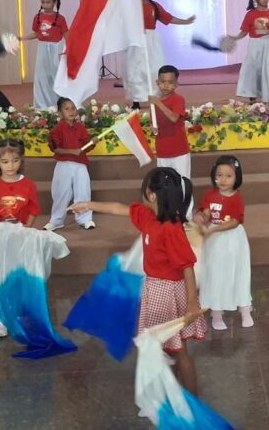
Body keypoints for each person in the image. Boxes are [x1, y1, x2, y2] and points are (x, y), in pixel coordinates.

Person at [69, 167, 207, 396]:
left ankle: (191, 399)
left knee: (176, 349)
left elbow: (187, 267)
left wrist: (192, 304)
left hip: (168, 293)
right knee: (164, 347)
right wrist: (88, 205)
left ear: (152, 195)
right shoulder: (147, 216)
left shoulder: (171, 229)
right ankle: (171, 394)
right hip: (154, 288)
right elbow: (118, 208)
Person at [0, 138, 41, 338]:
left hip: (21, 236)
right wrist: (0, 227)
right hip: (0, 237)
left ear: (21, 160)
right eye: (5, 162)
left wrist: (25, 229)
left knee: (21, 276)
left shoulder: (28, 185)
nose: (10, 166)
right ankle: (2, 318)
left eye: (15, 161)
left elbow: (33, 209)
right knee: (2, 277)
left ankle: (21, 315)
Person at [193, 155, 253, 331]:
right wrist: (201, 218)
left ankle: (245, 309)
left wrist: (212, 230)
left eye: (228, 176)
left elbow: (234, 221)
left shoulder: (237, 198)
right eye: (219, 175)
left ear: (237, 177)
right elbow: (206, 212)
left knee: (239, 272)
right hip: (214, 242)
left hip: (233, 239)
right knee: (215, 274)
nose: (223, 180)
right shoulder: (210, 194)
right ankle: (216, 313)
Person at [126, 0, 195, 110]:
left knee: (155, 68)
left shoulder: (154, 6)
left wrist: (186, 21)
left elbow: (168, 18)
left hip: (152, 40)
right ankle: (136, 100)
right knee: (136, 70)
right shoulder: (132, 6)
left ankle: (156, 97)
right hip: (137, 41)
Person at [45, 97, 97, 231]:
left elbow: (86, 146)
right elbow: (55, 148)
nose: (71, 111)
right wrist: (72, 151)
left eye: (73, 108)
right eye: (67, 109)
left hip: (80, 165)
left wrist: (92, 142)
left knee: (83, 191)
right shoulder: (57, 129)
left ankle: (85, 219)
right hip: (63, 164)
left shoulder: (80, 128)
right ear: (60, 112)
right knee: (61, 193)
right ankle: (56, 220)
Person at [227, 0, 269, 103]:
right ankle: (252, 93)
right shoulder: (250, 14)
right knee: (251, 68)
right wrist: (235, 38)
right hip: (255, 44)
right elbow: (244, 31)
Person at [19, 0, 68, 109]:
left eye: (48, 2)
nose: (45, 5)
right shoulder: (38, 17)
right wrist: (22, 38)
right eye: (43, 2)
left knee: (57, 75)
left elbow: (66, 35)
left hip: (56, 48)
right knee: (42, 76)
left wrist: (69, 50)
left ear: (54, 2)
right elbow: (37, 34)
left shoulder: (60, 18)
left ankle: (61, 102)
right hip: (42, 48)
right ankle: (43, 103)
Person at [149, 64, 191, 185]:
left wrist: (158, 102)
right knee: (165, 185)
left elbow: (174, 118)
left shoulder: (178, 99)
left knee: (182, 184)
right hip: (162, 151)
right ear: (157, 83)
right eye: (162, 82)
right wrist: (153, 128)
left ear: (176, 84)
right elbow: (153, 123)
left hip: (179, 152)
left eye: (170, 82)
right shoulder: (154, 103)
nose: (166, 86)